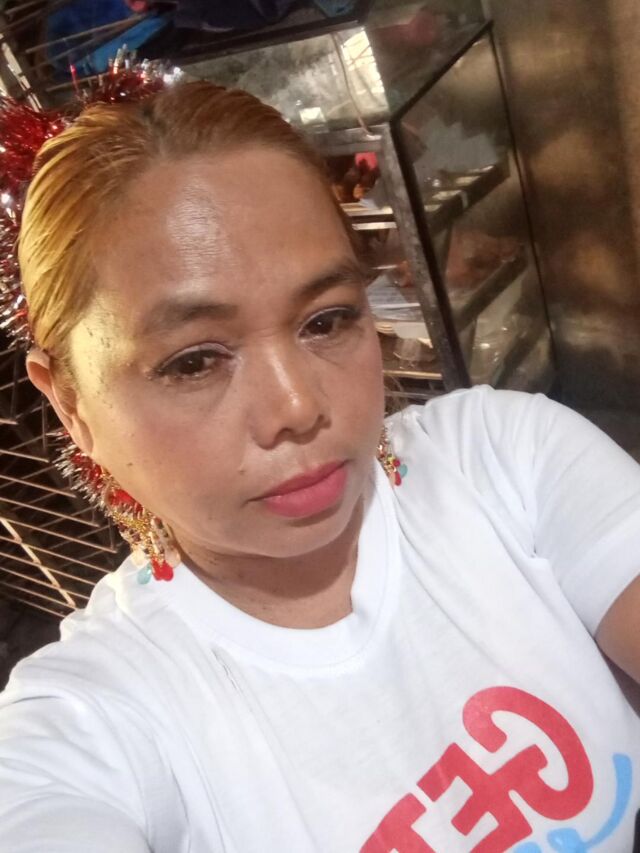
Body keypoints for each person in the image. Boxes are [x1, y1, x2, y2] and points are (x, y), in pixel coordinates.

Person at [1, 80, 640, 853]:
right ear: (71, 404)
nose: (298, 405)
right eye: (194, 361)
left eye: (327, 320)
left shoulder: (500, 460)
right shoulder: (99, 717)